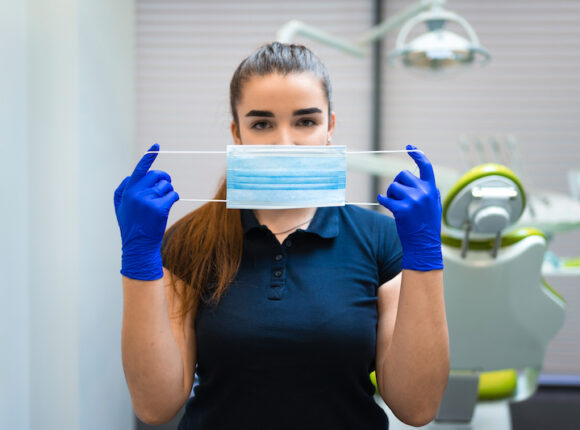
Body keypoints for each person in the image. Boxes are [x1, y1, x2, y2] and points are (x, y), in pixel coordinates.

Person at [114, 42, 449, 429]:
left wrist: (425, 252)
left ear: (330, 128)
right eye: (262, 124)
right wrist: (138, 258)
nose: (284, 142)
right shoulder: (191, 241)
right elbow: (155, 406)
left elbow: (418, 406)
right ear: (236, 133)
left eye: (305, 122)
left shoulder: (382, 240)